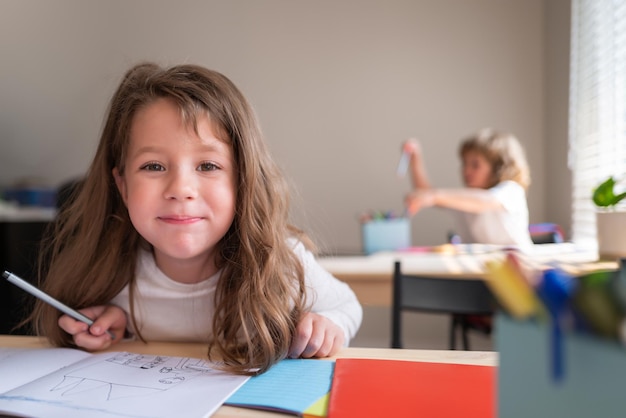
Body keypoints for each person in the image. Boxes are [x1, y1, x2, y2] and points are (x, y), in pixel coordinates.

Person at [29, 62, 362, 375]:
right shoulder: (109, 275)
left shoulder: (281, 263)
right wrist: (117, 326)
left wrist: (327, 326)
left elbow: (348, 307)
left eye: (208, 166)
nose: (181, 189)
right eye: (153, 166)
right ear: (122, 185)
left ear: (242, 181)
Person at [403, 128, 533, 249]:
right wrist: (415, 159)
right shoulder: (465, 200)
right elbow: (426, 194)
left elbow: (486, 201)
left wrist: (434, 196)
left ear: (498, 167)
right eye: (464, 163)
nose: (466, 171)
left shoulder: (511, 191)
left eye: (475, 165)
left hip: (516, 269)